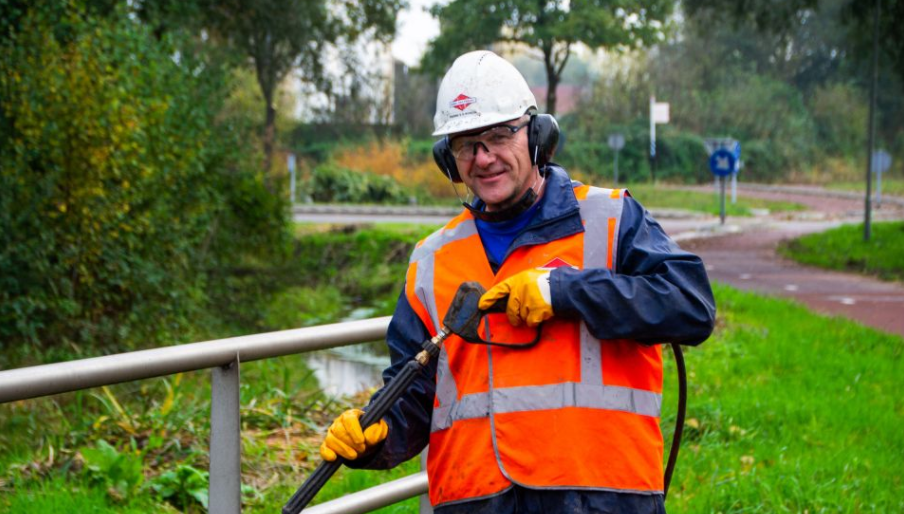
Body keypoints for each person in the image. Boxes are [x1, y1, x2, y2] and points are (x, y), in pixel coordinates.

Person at [318, 50, 716, 514]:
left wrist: (565, 291)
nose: (482, 158)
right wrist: (379, 434)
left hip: (602, 498)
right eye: (465, 143)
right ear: (448, 159)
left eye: (498, 136)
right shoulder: (431, 262)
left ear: (538, 136)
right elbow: (418, 393)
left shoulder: (610, 219)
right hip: (475, 502)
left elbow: (691, 305)